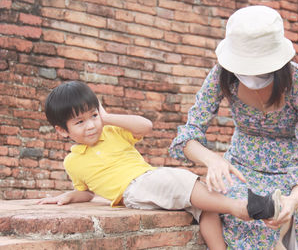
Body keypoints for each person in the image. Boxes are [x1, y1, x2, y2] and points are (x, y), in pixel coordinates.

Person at [37, 80, 281, 250]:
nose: (91, 125)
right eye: (80, 121)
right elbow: (87, 192)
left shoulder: (111, 130)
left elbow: (146, 126)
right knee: (178, 178)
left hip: (150, 178)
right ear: (61, 130)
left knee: (206, 206)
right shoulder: (73, 162)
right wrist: (68, 196)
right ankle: (241, 208)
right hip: (134, 189)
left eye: (93, 116)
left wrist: (108, 118)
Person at [169, 5, 298, 249]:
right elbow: (187, 136)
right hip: (239, 170)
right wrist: (213, 160)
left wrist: (294, 200)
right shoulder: (223, 76)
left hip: (289, 177)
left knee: (271, 217)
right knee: (232, 210)